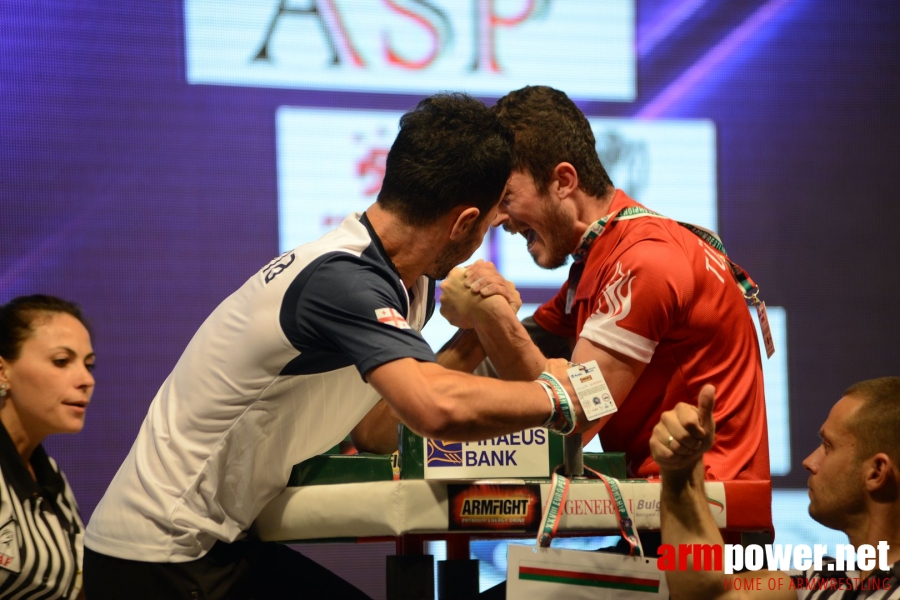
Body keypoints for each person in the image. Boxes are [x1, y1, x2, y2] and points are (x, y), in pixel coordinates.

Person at [83, 92, 590, 599]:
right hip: (157, 557)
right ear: (462, 221)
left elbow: (379, 430)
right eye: (492, 217)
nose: (497, 226)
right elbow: (433, 407)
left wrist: (476, 330)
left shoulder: (409, 286)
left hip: (215, 546)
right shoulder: (342, 280)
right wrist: (560, 396)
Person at [439, 84, 770, 482]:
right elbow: (498, 373)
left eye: (506, 198)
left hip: (706, 522)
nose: (497, 220)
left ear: (563, 181)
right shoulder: (601, 258)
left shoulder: (644, 260)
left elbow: (573, 416)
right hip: (666, 506)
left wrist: (488, 311)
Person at [651, 377, 900, 599]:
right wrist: (680, 472)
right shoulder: (824, 582)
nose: (809, 462)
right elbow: (710, 595)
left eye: (827, 446)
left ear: (877, 472)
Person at [0, 294, 95, 600]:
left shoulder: (50, 476)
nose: (85, 380)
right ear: (2, 372)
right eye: (61, 361)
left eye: (89, 365)